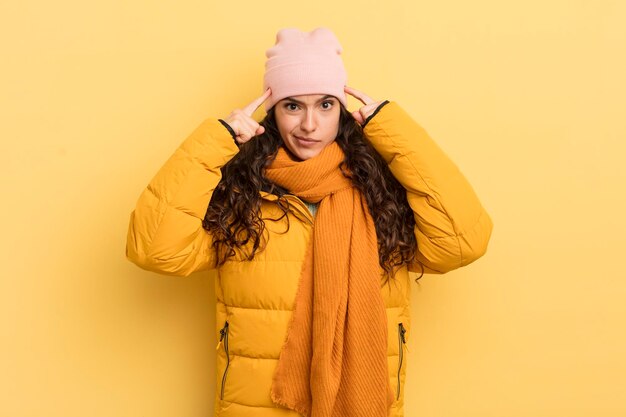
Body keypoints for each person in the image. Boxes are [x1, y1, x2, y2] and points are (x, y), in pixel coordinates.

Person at [126, 27, 493, 417]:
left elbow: (461, 243)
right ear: (273, 112)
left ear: (343, 111)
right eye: (293, 106)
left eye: (325, 105)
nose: (309, 126)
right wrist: (217, 141)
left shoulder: (381, 197)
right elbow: (155, 250)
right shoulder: (242, 195)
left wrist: (395, 133)